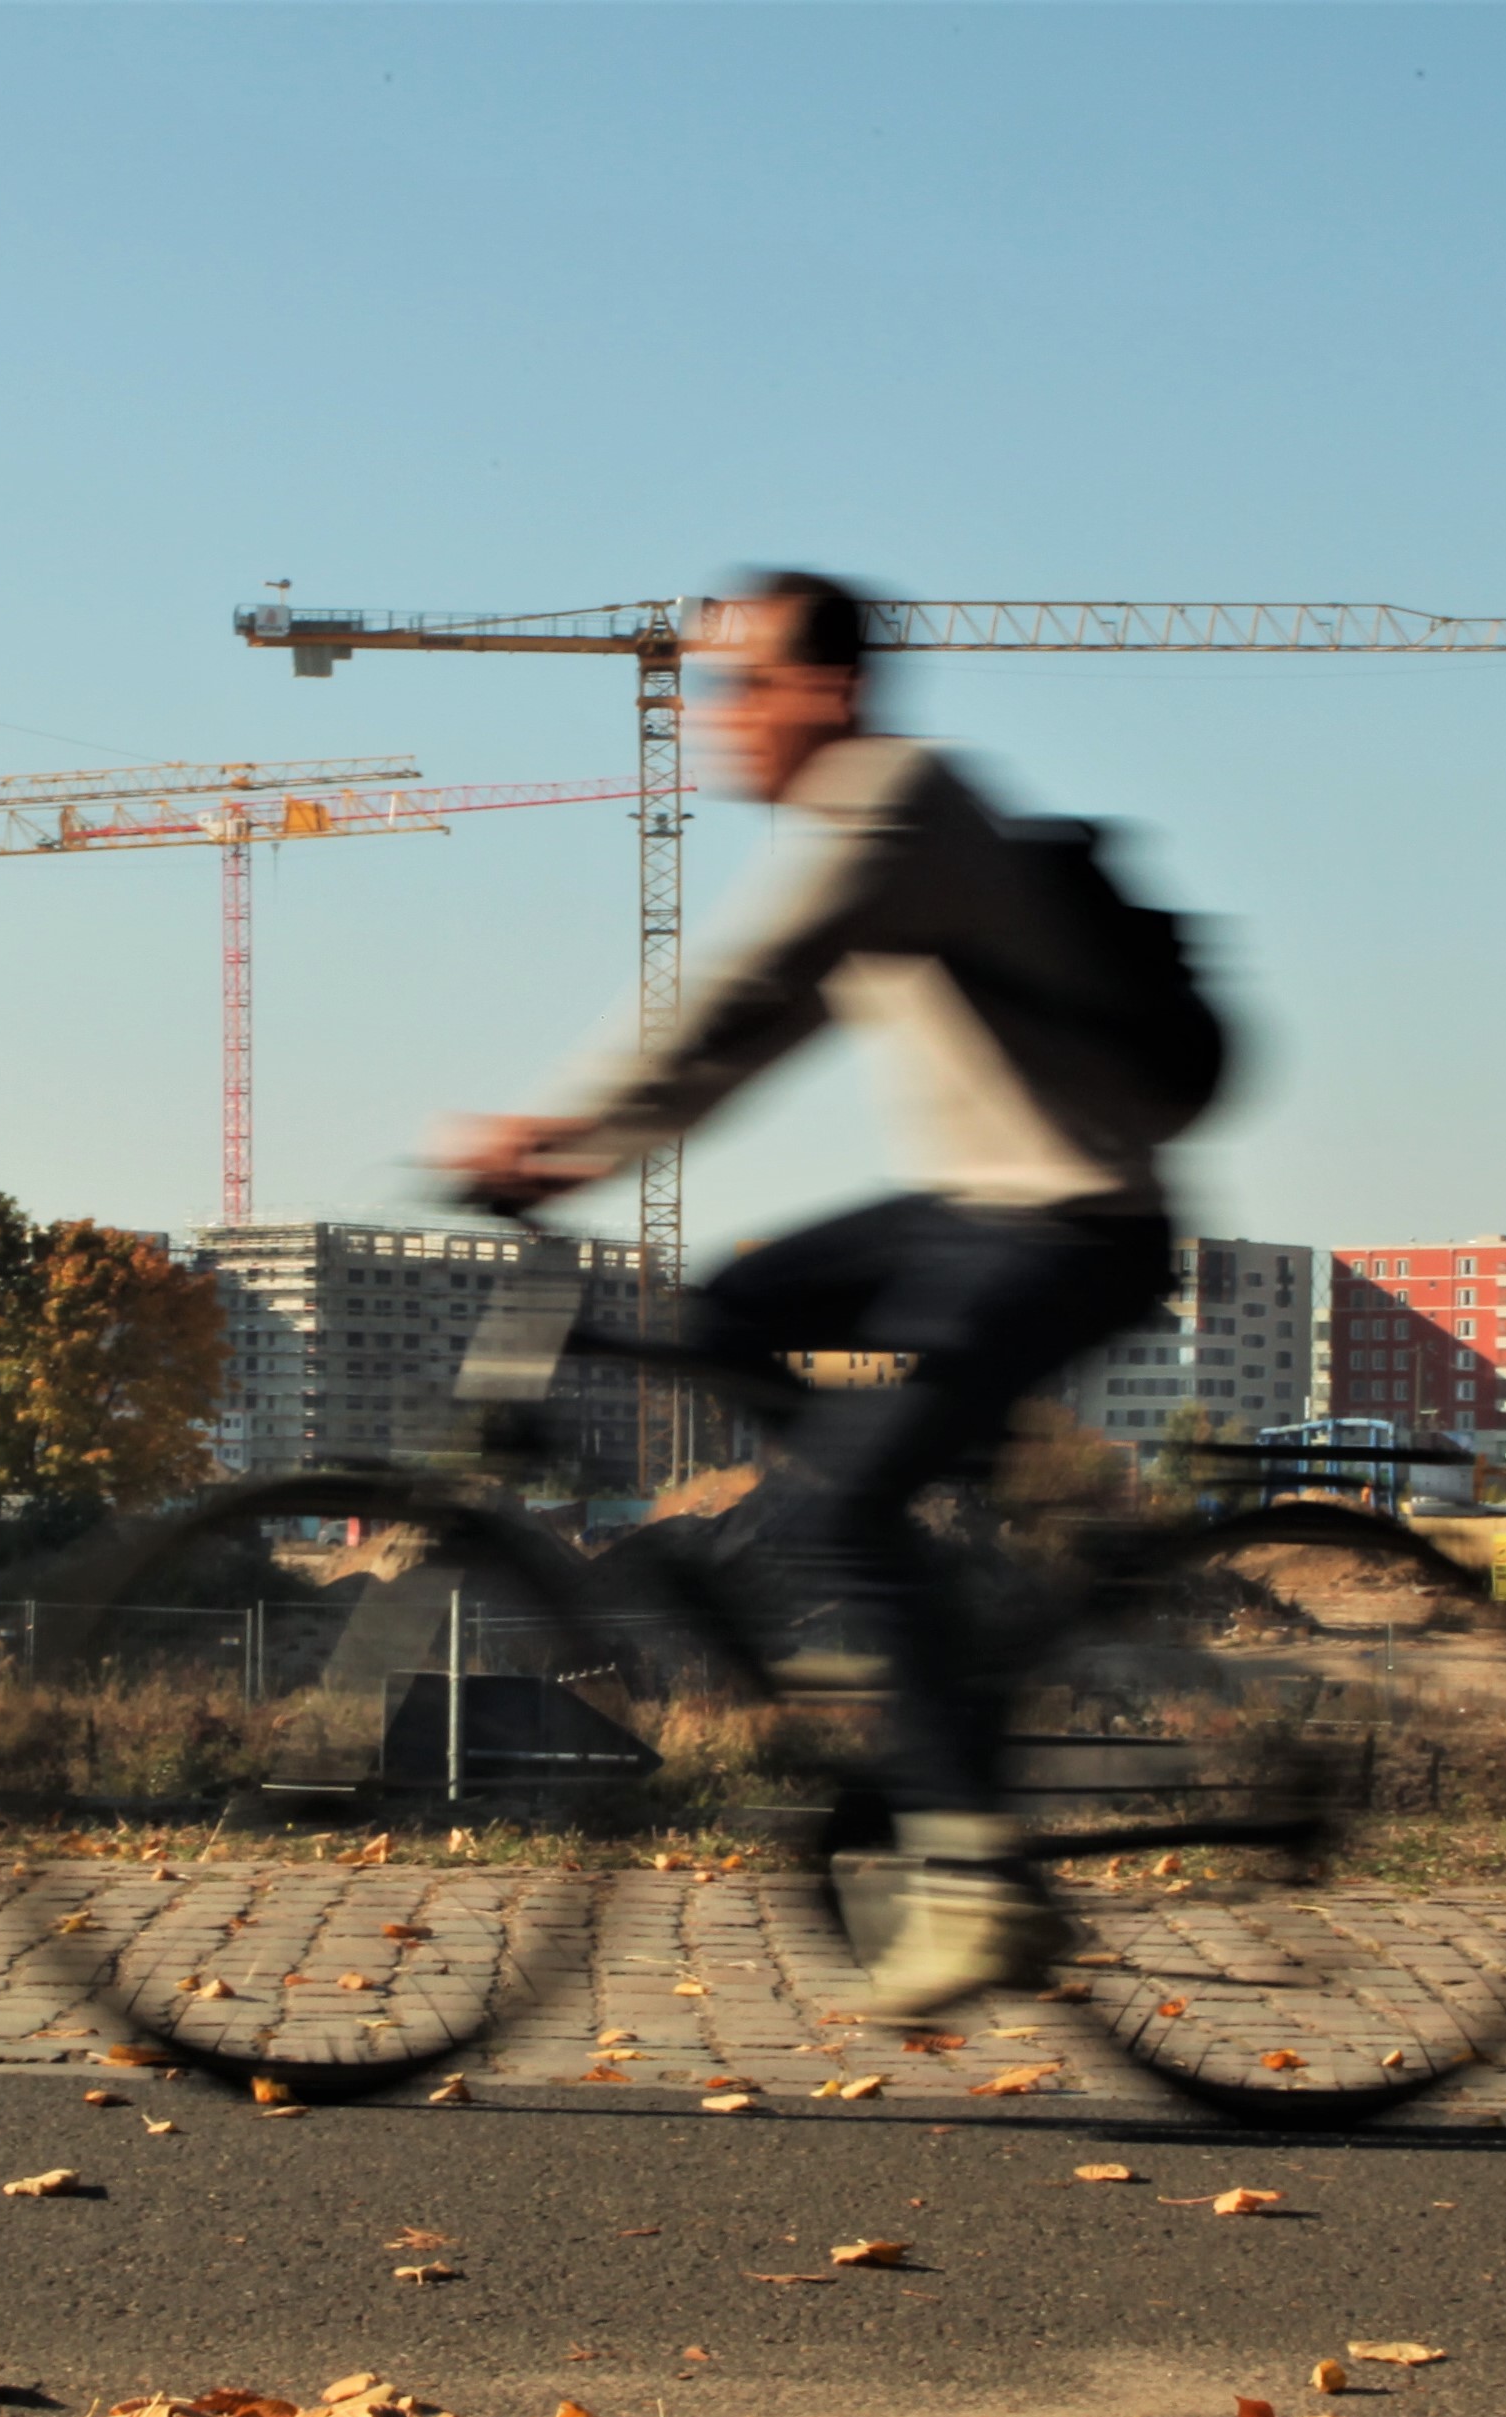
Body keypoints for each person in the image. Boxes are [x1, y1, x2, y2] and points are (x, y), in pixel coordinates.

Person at [442, 570, 1193, 2017]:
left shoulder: (894, 800)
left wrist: (557, 1141)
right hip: (987, 1204)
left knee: (851, 1497)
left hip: (1076, 1222)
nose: (712, 716)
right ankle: (892, 1607)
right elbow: (757, 1027)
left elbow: (744, 996)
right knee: (729, 1306)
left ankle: (972, 1871)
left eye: (738, 687)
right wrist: (591, 1141)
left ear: (826, 691)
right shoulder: (871, 816)